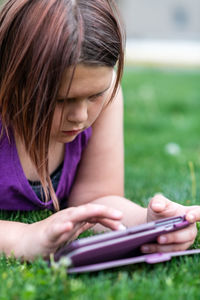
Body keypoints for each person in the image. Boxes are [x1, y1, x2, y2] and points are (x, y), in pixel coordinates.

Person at [0, 0, 199, 262]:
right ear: (13, 78)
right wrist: (23, 238)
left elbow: (96, 199)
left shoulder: (107, 98)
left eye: (94, 95)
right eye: (60, 100)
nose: (80, 116)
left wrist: (148, 223)